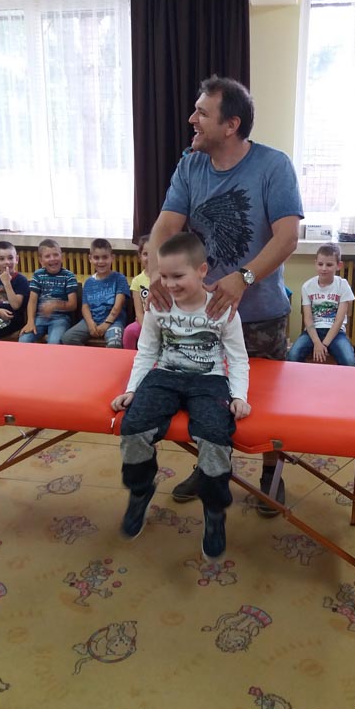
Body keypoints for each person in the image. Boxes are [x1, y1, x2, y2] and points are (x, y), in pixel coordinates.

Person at [145, 75, 303, 517]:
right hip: (201, 317)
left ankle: (271, 474)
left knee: (266, 407)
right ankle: (210, 467)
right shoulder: (190, 166)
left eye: (202, 112)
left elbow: (288, 237)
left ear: (231, 125)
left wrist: (243, 278)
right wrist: (155, 271)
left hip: (260, 315)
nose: (191, 119)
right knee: (205, 397)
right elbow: (165, 226)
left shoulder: (274, 166)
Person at [111, 232, 250, 560]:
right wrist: (132, 389)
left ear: (202, 270)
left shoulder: (222, 309)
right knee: (133, 427)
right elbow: (147, 351)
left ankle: (214, 510)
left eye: (178, 276)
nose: (169, 284)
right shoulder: (158, 306)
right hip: (165, 376)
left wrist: (239, 395)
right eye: (163, 276)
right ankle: (141, 490)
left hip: (210, 380)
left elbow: (238, 358)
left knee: (215, 436)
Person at [287, 243, 355, 367]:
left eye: (329, 265)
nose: (324, 268)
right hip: (312, 332)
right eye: (320, 264)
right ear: (315, 264)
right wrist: (317, 342)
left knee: (349, 362)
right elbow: (308, 319)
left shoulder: (343, 285)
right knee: (292, 356)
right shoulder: (307, 286)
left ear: (339, 265)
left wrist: (323, 344)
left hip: (336, 333)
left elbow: (339, 320)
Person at [62, 238, 129, 348]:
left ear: (112, 258)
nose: (101, 261)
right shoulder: (88, 282)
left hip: (113, 321)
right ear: (90, 259)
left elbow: (118, 306)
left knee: (115, 344)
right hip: (92, 320)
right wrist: (90, 323)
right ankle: (89, 358)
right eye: (96, 258)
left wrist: (106, 324)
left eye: (105, 257)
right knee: (68, 338)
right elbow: (85, 307)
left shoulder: (119, 278)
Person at [19, 239, 77, 344]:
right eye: (47, 256)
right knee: (24, 339)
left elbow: (73, 305)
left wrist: (55, 304)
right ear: (41, 260)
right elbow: (32, 301)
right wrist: (30, 321)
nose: (52, 259)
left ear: (61, 257)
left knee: (54, 342)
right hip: (40, 318)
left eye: (56, 255)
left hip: (61, 319)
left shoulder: (69, 276)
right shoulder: (38, 275)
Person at [122, 235, 150, 350]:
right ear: (140, 256)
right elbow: (139, 312)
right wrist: (146, 328)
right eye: (145, 254)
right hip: (144, 322)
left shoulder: (166, 278)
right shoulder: (137, 281)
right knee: (129, 331)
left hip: (163, 322)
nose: (149, 258)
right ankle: (130, 357)